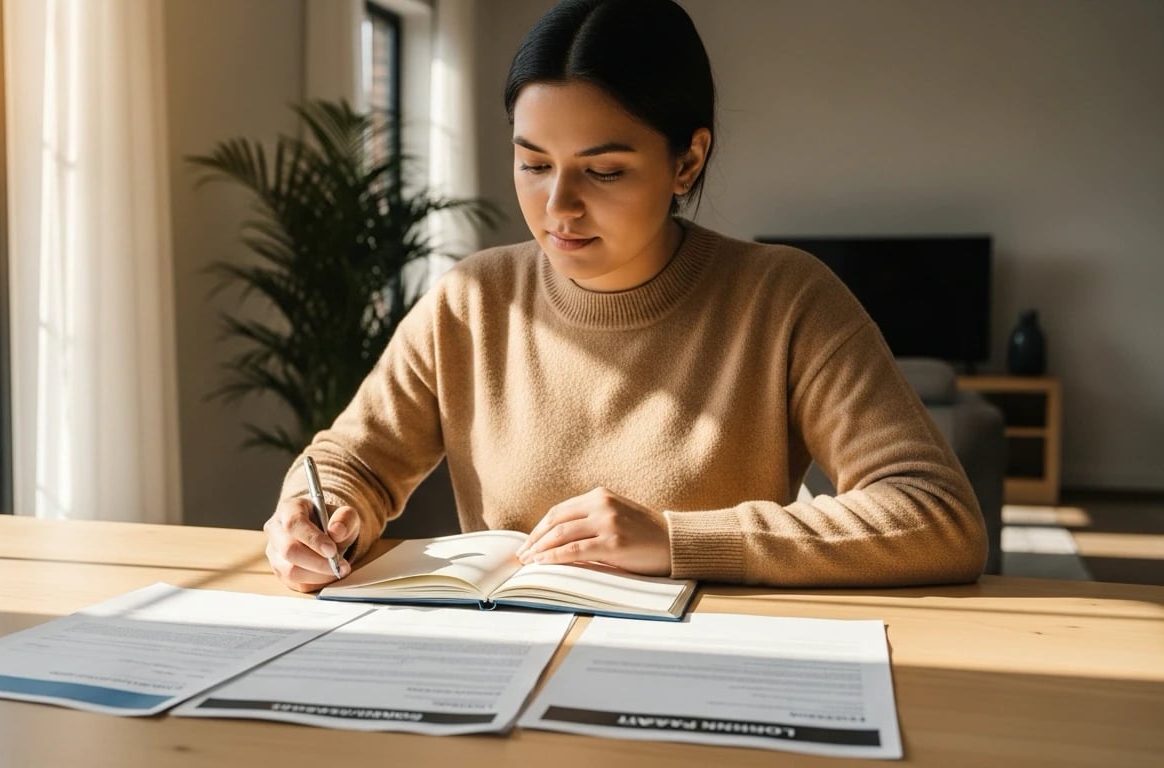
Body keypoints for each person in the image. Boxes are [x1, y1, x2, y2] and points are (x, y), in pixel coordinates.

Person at [263, 0, 986, 592]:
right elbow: (351, 463)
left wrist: (677, 541)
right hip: (504, 667)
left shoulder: (785, 300)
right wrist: (316, 515)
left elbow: (936, 514)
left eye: (603, 172)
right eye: (533, 164)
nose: (558, 207)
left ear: (687, 161)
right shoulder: (473, 301)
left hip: (710, 672)